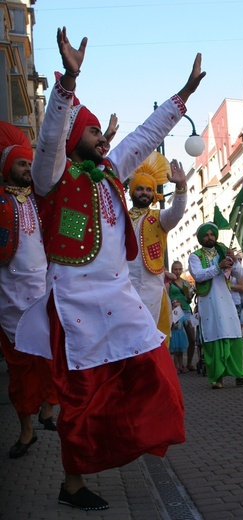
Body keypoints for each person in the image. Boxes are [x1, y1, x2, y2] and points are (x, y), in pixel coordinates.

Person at [16, 27, 206, 511]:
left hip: (119, 298)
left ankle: (136, 439)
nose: (104, 140)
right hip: (74, 302)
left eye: (102, 134)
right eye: (95, 132)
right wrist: (67, 86)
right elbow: (49, 141)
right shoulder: (51, 178)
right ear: (75, 137)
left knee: (154, 371)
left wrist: (181, 98)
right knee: (79, 396)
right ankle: (71, 481)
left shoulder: (112, 175)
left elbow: (144, 136)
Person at [0, 121, 58, 459]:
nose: (27, 169)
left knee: (49, 360)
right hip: (9, 298)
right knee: (20, 370)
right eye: (21, 164)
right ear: (8, 167)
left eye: (28, 163)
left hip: (43, 293)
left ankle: (48, 411)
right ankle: (26, 432)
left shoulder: (40, 200)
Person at [127, 153, 187, 348]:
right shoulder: (120, 217)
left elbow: (176, 213)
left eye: (148, 189)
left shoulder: (159, 217)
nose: (144, 193)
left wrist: (180, 188)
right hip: (123, 286)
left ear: (154, 194)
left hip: (150, 287)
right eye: (140, 189)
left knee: (151, 339)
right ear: (131, 192)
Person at [188, 222, 243, 389]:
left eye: (212, 234)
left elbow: (239, 275)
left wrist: (233, 261)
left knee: (233, 335)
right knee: (212, 337)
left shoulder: (222, 253)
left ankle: (240, 376)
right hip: (209, 302)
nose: (210, 237)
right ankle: (217, 378)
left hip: (227, 301)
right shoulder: (195, 256)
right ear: (200, 238)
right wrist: (218, 267)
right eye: (206, 235)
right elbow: (198, 275)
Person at [169, 260, 196, 370]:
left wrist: (190, 296)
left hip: (186, 310)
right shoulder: (169, 283)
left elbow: (188, 300)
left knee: (192, 338)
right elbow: (165, 297)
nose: (178, 271)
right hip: (175, 311)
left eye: (180, 269)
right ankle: (178, 365)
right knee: (178, 337)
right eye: (175, 269)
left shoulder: (186, 283)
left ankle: (189, 363)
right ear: (172, 270)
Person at [170, 299, 189, 374]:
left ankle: (181, 366)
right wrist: (172, 325)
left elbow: (185, 324)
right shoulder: (171, 315)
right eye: (175, 307)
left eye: (178, 307)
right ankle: (175, 367)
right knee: (176, 353)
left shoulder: (182, 315)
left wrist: (188, 323)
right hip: (175, 335)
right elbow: (170, 325)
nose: (177, 309)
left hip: (181, 335)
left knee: (181, 352)